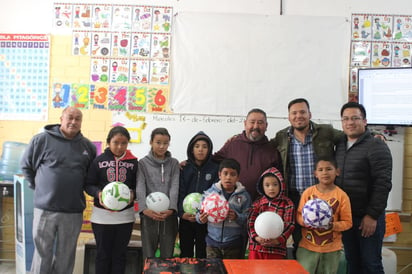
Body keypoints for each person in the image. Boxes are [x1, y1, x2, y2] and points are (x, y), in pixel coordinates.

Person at [20, 106, 96, 274]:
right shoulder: (41, 140)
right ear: (61, 119)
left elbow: (90, 178)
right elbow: (26, 166)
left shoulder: (88, 147)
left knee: (66, 256)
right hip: (45, 210)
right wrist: (39, 188)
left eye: (78, 119)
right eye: (70, 117)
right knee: (42, 254)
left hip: (73, 211)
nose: (73, 122)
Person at [271, 98, 344, 256]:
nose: (299, 116)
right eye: (294, 113)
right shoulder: (282, 137)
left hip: (322, 197)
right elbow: (263, 147)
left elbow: (349, 136)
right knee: (300, 241)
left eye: (302, 112)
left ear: (310, 114)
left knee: (326, 240)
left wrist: (375, 135)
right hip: (296, 198)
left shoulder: (325, 131)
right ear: (289, 117)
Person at [335, 102, 392, 274]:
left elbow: (383, 184)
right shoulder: (340, 145)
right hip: (347, 218)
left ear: (365, 121)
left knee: (371, 264)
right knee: (353, 263)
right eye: (345, 119)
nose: (350, 122)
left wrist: (372, 216)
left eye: (355, 118)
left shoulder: (376, 145)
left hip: (367, 218)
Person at [84, 126, 138, 274]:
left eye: (124, 143)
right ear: (108, 142)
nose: (120, 147)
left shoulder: (134, 163)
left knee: (120, 256)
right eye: (116, 142)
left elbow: (138, 186)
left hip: (125, 217)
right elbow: (88, 184)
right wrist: (98, 193)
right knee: (102, 255)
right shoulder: (98, 161)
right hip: (102, 218)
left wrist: (133, 194)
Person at [296, 157, 352, 274]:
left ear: (337, 171)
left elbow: (348, 222)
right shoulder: (308, 193)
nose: (325, 173)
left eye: (329, 169)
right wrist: (305, 222)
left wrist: (332, 226)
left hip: (331, 249)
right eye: (320, 170)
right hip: (307, 247)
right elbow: (299, 215)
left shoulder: (342, 196)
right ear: (315, 173)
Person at [213, 108, 282, 200]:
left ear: (266, 126)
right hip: (233, 207)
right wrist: (188, 162)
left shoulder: (272, 150)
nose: (255, 126)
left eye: (260, 123)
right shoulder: (232, 144)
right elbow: (212, 161)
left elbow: (279, 181)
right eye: (252, 122)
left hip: (261, 207)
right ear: (245, 124)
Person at [136, 127, 180, 260]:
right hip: (149, 214)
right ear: (151, 142)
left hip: (169, 215)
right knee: (148, 255)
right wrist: (144, 209)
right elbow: (140, 186)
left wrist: (172, 208)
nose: (162, 146)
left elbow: (175, 186)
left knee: (168, 255)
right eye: (158, 142)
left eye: (165, 143)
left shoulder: (174, 163)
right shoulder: (142, 163)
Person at [197, 158, 251, 259]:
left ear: (238, 177)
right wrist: (200, 218)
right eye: (225, 173)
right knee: (213, 270)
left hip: (233, 244)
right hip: (212, 243)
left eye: (232, 174)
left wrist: (237, 217)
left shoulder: (244, 196)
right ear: (219, 175)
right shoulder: (210, 193)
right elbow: (198, 212)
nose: (228, 177)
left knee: (232, 270)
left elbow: (248, 218)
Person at [178, 131, 219, 258]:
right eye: (197, 146)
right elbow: (180, 192)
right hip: (186, 218)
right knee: (186, 252)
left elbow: (216, 194)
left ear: (209, 149)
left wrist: (206, 214)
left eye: (204, 146)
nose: (200, 150)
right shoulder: (184, 168)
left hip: (205, 220)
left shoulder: (216, 168)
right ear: (191, 149)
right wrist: (181, 213)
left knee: (203, 253)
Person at [247, 167, 295, 259]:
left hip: (277, 250)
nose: (271, 188)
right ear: (262, 186)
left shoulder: (287, 203)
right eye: (267, 185)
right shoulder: (257, 203)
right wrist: (256, 238)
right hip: (257, 248)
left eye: (275, 184)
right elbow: (250, 223)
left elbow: (290, 225)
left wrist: (277, 240)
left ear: (281, 185)